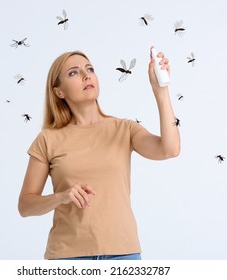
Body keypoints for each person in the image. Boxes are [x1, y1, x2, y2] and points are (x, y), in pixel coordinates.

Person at [18, 48, 180, 260]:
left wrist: (161, 92)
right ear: (59, 92)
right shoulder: (48, 139)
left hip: (123, 255)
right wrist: (61, 197)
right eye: (73, 73)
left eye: (90, 69)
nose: (86, 75)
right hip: (68, 258)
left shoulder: (124, 129)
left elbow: (170, 149)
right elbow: (25, 206)